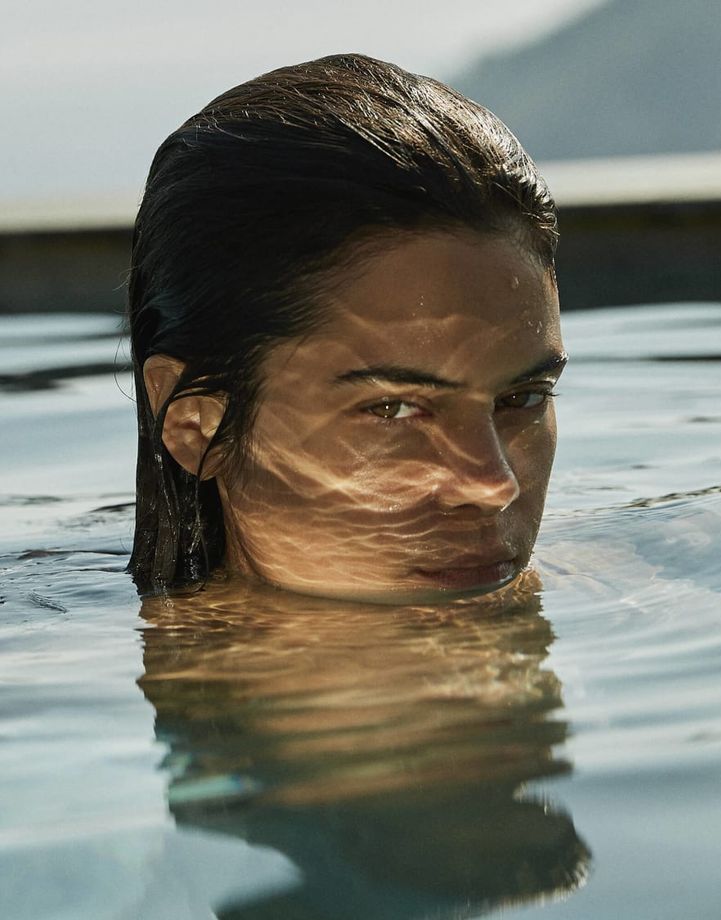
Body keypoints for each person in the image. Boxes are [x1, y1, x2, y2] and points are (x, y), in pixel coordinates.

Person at [128, 52, 565, 603]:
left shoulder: (652, 586)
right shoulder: (43, 668)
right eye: (393, 408)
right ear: (198, 426)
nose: (492, 485)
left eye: (522, 398)